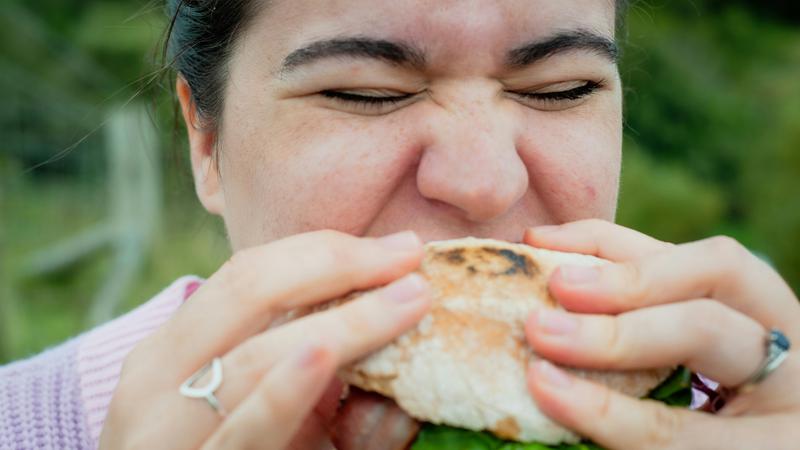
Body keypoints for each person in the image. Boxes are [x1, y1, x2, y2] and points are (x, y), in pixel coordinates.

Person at [2, 0, 798, 449]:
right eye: (366, 93)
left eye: (561, 87)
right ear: (205, 143)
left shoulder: (730, 419)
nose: (486, 184)